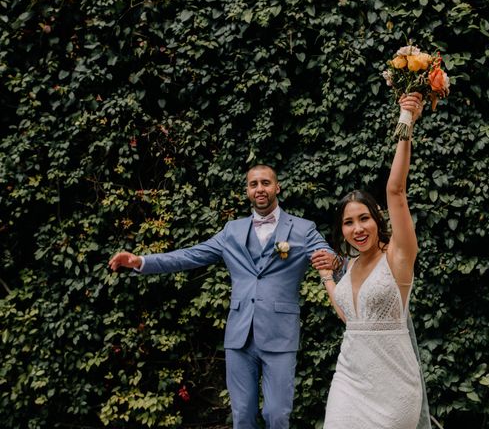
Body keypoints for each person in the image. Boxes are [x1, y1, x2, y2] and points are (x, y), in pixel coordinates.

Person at [108, 164, 339, 429]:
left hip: (280, 335)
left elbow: (331, 256)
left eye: (265, 183)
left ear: (277, 187)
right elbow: (190, 255)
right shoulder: (232, 231)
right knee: (241, 415)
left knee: (277, 414)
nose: (259, 189)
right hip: (239, 337)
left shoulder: (303, 228)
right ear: (247, 191)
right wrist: (141, 261)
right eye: (253, 184)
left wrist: (334, 260)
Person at [311, 93, 432, 429]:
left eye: (364, 218)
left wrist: (406, 120)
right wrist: (327, 277)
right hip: (349, 381)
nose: (357, 228)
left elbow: (396, 191)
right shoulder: (348, 267)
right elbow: (350, 316)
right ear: (342, 231)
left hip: (394, 390)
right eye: (349, 223)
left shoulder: (397, 257)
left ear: (378, 221)